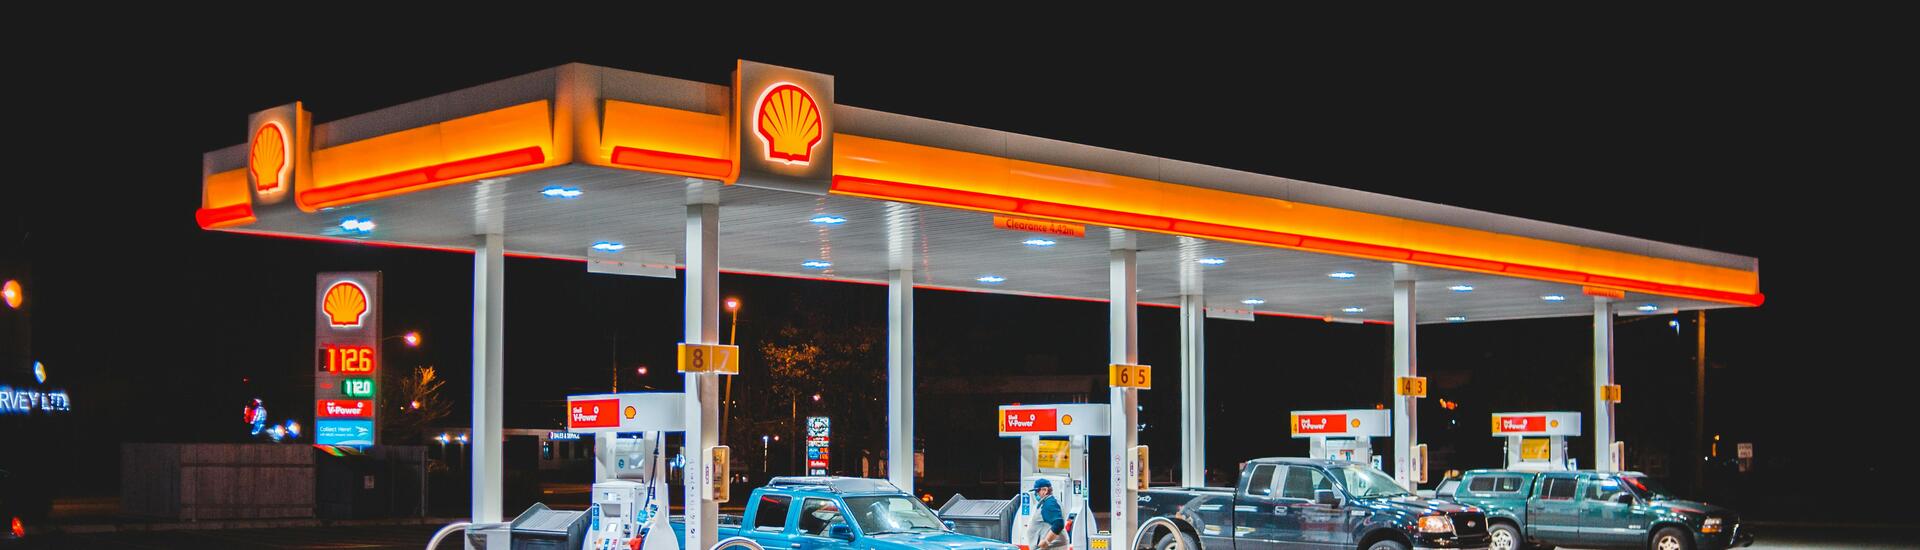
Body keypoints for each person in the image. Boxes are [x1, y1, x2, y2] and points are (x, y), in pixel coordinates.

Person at [1033, 479, 1066, 549]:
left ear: (1045, 490)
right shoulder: (1050, 501)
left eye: (1037, 491)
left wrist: (1046, 541)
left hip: (1051, 546)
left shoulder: (1049, 503)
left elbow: (1058, 524)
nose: (1035, 494)